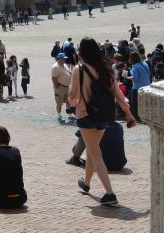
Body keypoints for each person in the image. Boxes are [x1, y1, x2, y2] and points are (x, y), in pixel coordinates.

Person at [69, 37, 136, 206]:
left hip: (85, 115)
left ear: (81, 52)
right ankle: (86, 183)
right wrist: (128, 113)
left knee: (96, 154)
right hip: (104, 115)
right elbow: (117, 93)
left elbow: (71, 95)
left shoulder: (79, 69)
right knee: (93, 150)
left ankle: (110, 193)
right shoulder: (107, 69)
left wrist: (75, 102)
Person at [128, 52, 151, 122]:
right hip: (147, 85)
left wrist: (127, 77)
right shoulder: (144, 63)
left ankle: (136, 118)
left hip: (137, 87)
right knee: (144, 102)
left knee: (134, 103)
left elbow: (135, 78)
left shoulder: (135, 66)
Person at [51, 53, 74, 124]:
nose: (65, 59)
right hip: (60, 87)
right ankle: (59, 117)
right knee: (59, 103)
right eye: (64, 58)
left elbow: (69, 72)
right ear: (59, 59)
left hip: (67, 87)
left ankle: (70, 116)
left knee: (68, 102)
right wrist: (57, 87)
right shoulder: (55, 67)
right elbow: (54, 78)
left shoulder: (64, 65)